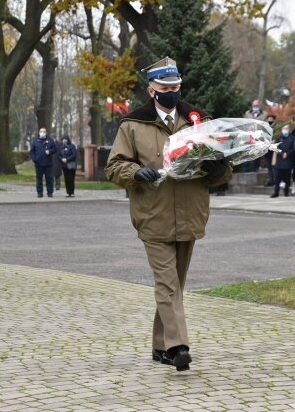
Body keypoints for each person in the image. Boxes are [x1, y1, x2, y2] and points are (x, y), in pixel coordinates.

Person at [105, 57, 231, 372]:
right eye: (165, 88)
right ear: (152, 90)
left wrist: (219, 166)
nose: (171, 92)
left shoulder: (198, 121)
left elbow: (220, 174)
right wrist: (137, 172)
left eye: (175, 87)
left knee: (175, 284)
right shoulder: (133, 124)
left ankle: (160, 346)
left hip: (190, 213)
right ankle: (178, 347)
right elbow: (114, 165)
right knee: (168, 284)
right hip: (153, 214)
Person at [30, 127, 57, 198]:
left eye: (44, 132)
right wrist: (34, 159)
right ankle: (39, 193)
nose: (42, 133)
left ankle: (50, 192)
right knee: (39, 179)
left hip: (48, 164)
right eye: (41, 131)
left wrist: (50, 151)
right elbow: (32, 151)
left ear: (46, 133)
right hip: (38, 164)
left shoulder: (50, 140)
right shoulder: (35, 140)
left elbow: (54, 149)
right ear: (39, 133)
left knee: (49, 179)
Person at [271, 124, 295, 198]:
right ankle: (276, 192)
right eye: (284, 128)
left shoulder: (292, 138)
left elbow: (294, 148)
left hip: (288, 160)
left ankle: (286, 191)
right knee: (277, 178)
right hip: (279, 160)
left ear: (289, 129)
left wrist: (287, 154)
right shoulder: (278, 138)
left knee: (287, 178)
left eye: (287, 128)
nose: (285, 130)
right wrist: (281, 153)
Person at [243, 100, 267, 172]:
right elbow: (244, 124)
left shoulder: (264, 114)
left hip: (259, 136)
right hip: (248, 136)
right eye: (254, 106)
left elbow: (266, 125)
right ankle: (246, 169)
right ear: (252, 106)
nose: (255, 107)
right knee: (247, 152)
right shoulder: (247, 113)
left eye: (256, 106)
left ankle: (256, 169)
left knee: (257, 153)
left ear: (259, 106)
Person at [263, 115, 277, 187]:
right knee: (269, 166)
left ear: (274, 120)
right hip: (267, 149)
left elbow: (277, 137)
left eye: (271, 119)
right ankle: (271, 180)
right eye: (268, 119)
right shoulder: (265, 128)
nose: (269, 120)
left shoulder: (277, 127)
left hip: (274, 149)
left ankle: (275, 180)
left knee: (274, 165)